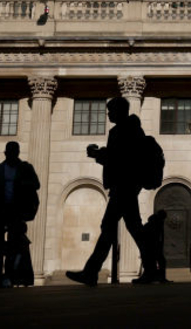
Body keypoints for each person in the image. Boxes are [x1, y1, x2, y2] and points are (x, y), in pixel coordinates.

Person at [66, 97, 156, 286]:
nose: (108, 114)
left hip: (124, 186)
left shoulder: (123, 130)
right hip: (126, 186)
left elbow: (120, 160)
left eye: (110, 110)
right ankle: (150, 270)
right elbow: (121, 157)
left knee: (112, 227)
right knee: (132, 228)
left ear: (119, 110)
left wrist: (97, 155)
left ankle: (91, 272)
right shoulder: (131, 130)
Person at [0, 141, 40, 289]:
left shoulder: (26, 168)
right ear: (5, 153)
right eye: (10, 152)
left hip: (16, 212)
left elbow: (36, 184)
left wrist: (23, 183)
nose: (12, 154)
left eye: (14, 151)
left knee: (13, 244)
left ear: (17, 152)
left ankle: (8, 276)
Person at [133, 210, 169, 284]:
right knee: (158, 261)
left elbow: (160, 237)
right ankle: (155, 277)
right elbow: (155, 237)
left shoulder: (158, 223)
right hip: (152, 247)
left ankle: (158, 277)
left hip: (154, 246)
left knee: (160, 261)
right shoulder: (154, 224)